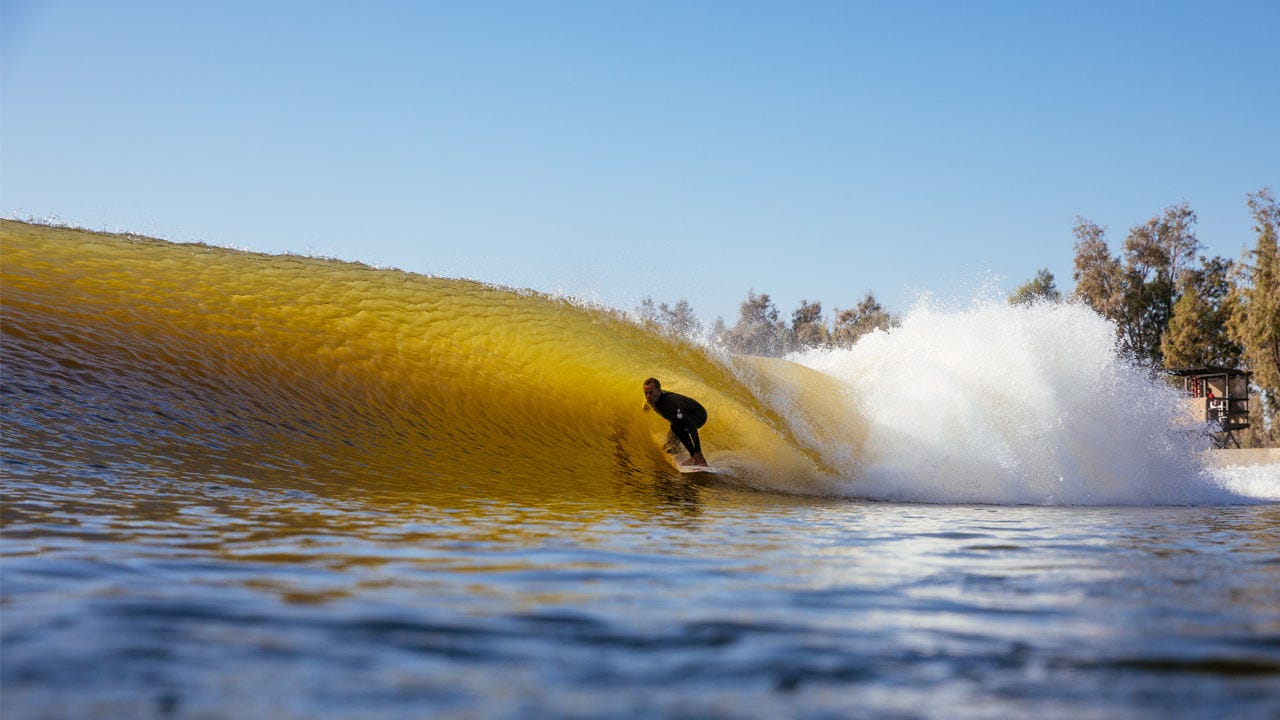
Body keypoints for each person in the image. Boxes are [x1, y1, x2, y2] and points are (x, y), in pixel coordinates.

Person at [642, 377, 709, 467]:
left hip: (697, 415)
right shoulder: (651, 399)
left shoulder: (669, 402)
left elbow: (691, 426)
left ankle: (696, 457)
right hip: (681, 416)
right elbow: (647, 401)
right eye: (646, 393)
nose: (648, 396)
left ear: (659, 390)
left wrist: (698, 451)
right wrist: (645, 407)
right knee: (669, 447)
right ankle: (680, 450)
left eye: (651, 392)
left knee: (676, 427)